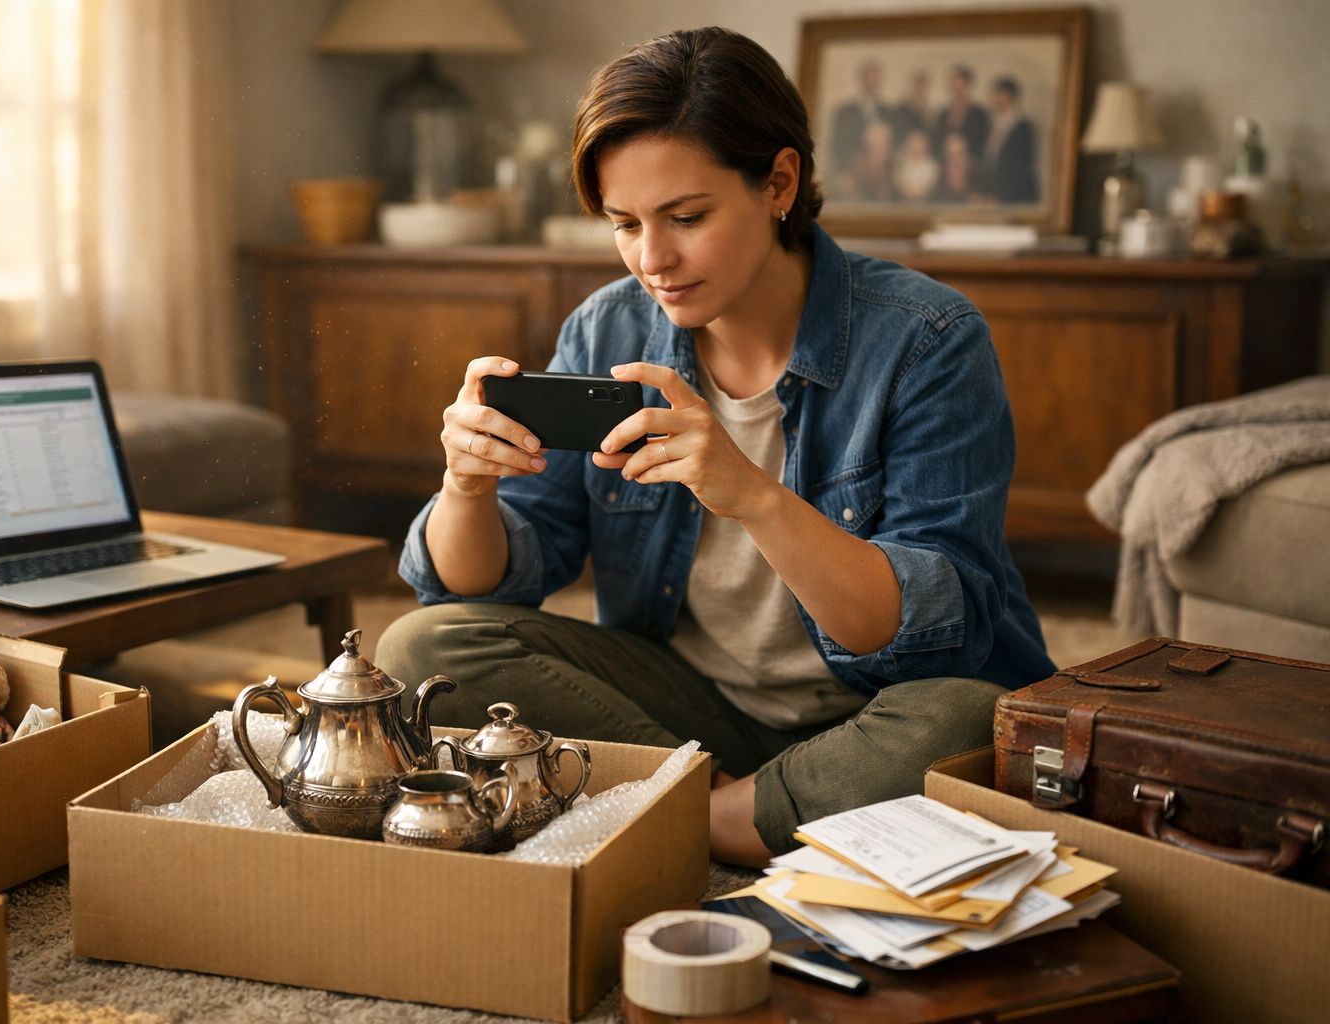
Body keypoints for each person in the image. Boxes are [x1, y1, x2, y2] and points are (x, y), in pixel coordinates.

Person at [377, 26, 1054, 868]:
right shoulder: (608, 327)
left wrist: (751, 494)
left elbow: (924, 642)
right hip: (692, 708)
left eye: (687, 217)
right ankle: (743, 812)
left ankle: (673, 813)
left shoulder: (927, 340)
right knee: (419, 649)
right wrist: (466, 490)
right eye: (625, 224)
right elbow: (496, 578)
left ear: (779, 182)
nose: (652, 259)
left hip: (875, 709)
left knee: (967, 720)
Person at [978, 75, 1039, 203]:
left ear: (1012, 97)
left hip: (1014, 193)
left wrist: (1003, 195)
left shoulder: (1023, 127)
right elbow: (988, 160)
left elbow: (1023, 166)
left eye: (1002, 95)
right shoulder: (989, 124)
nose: (998, 99)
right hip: (991, 191)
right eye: (996, 95)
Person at [935, 64, 989, 165]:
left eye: (959, 83)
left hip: (970, 168)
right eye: (952, 82)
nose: (955, 87)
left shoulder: (980, 114)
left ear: (968, 84)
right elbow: (937, 142)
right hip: (946, 168)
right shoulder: (942, 113)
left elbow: (983, 143)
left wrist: (971, 160)